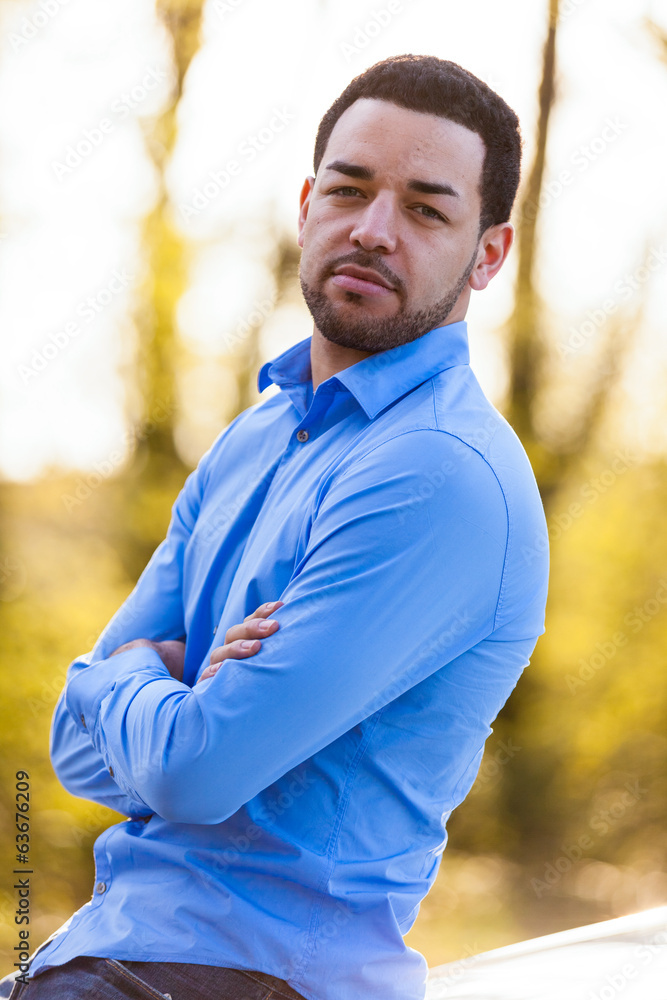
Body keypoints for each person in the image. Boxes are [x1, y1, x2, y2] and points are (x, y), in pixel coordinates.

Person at [1, 53, 549, 1000]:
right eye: (349, 190)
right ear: (306, 204)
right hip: (108, 960)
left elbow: (193, 776)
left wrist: (129, 673)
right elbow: (72, 747)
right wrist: (163, 703)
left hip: (248, 978)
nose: (372, 231)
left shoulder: (435, 475)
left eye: (425, 209)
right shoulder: (255, 438)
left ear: (487, 253)